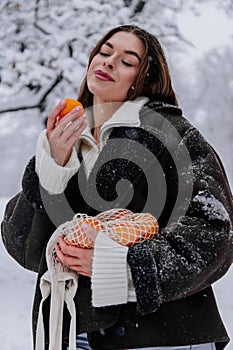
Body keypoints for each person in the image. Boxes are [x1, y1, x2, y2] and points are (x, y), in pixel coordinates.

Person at [1, 24, 233, 350]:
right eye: (105, 51)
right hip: (73, 335)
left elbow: (213, 234)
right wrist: (50, 167)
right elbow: (22, 244)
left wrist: (120, 266)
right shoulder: (68, 144)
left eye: (127, 60)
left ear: (146, 78)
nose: (109, 62)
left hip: (165, 336)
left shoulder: (174, 135)